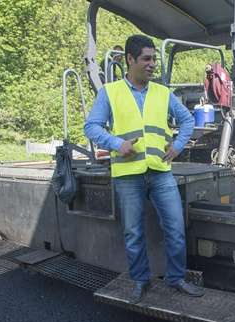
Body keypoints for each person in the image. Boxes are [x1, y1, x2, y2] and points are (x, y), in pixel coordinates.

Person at [84, 34, 203, 302]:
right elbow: (91, 127)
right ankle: (140, 280)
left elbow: (187, 120)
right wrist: (117, 144)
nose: (152, 64)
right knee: (133, 232)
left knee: (175, 228)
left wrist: (178, 146)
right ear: (130, 59)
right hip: (128, 174)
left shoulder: (162, 92)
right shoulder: (110, 92)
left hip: (160, 171)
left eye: (154, 59)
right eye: (146, 59)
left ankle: (176, 278)